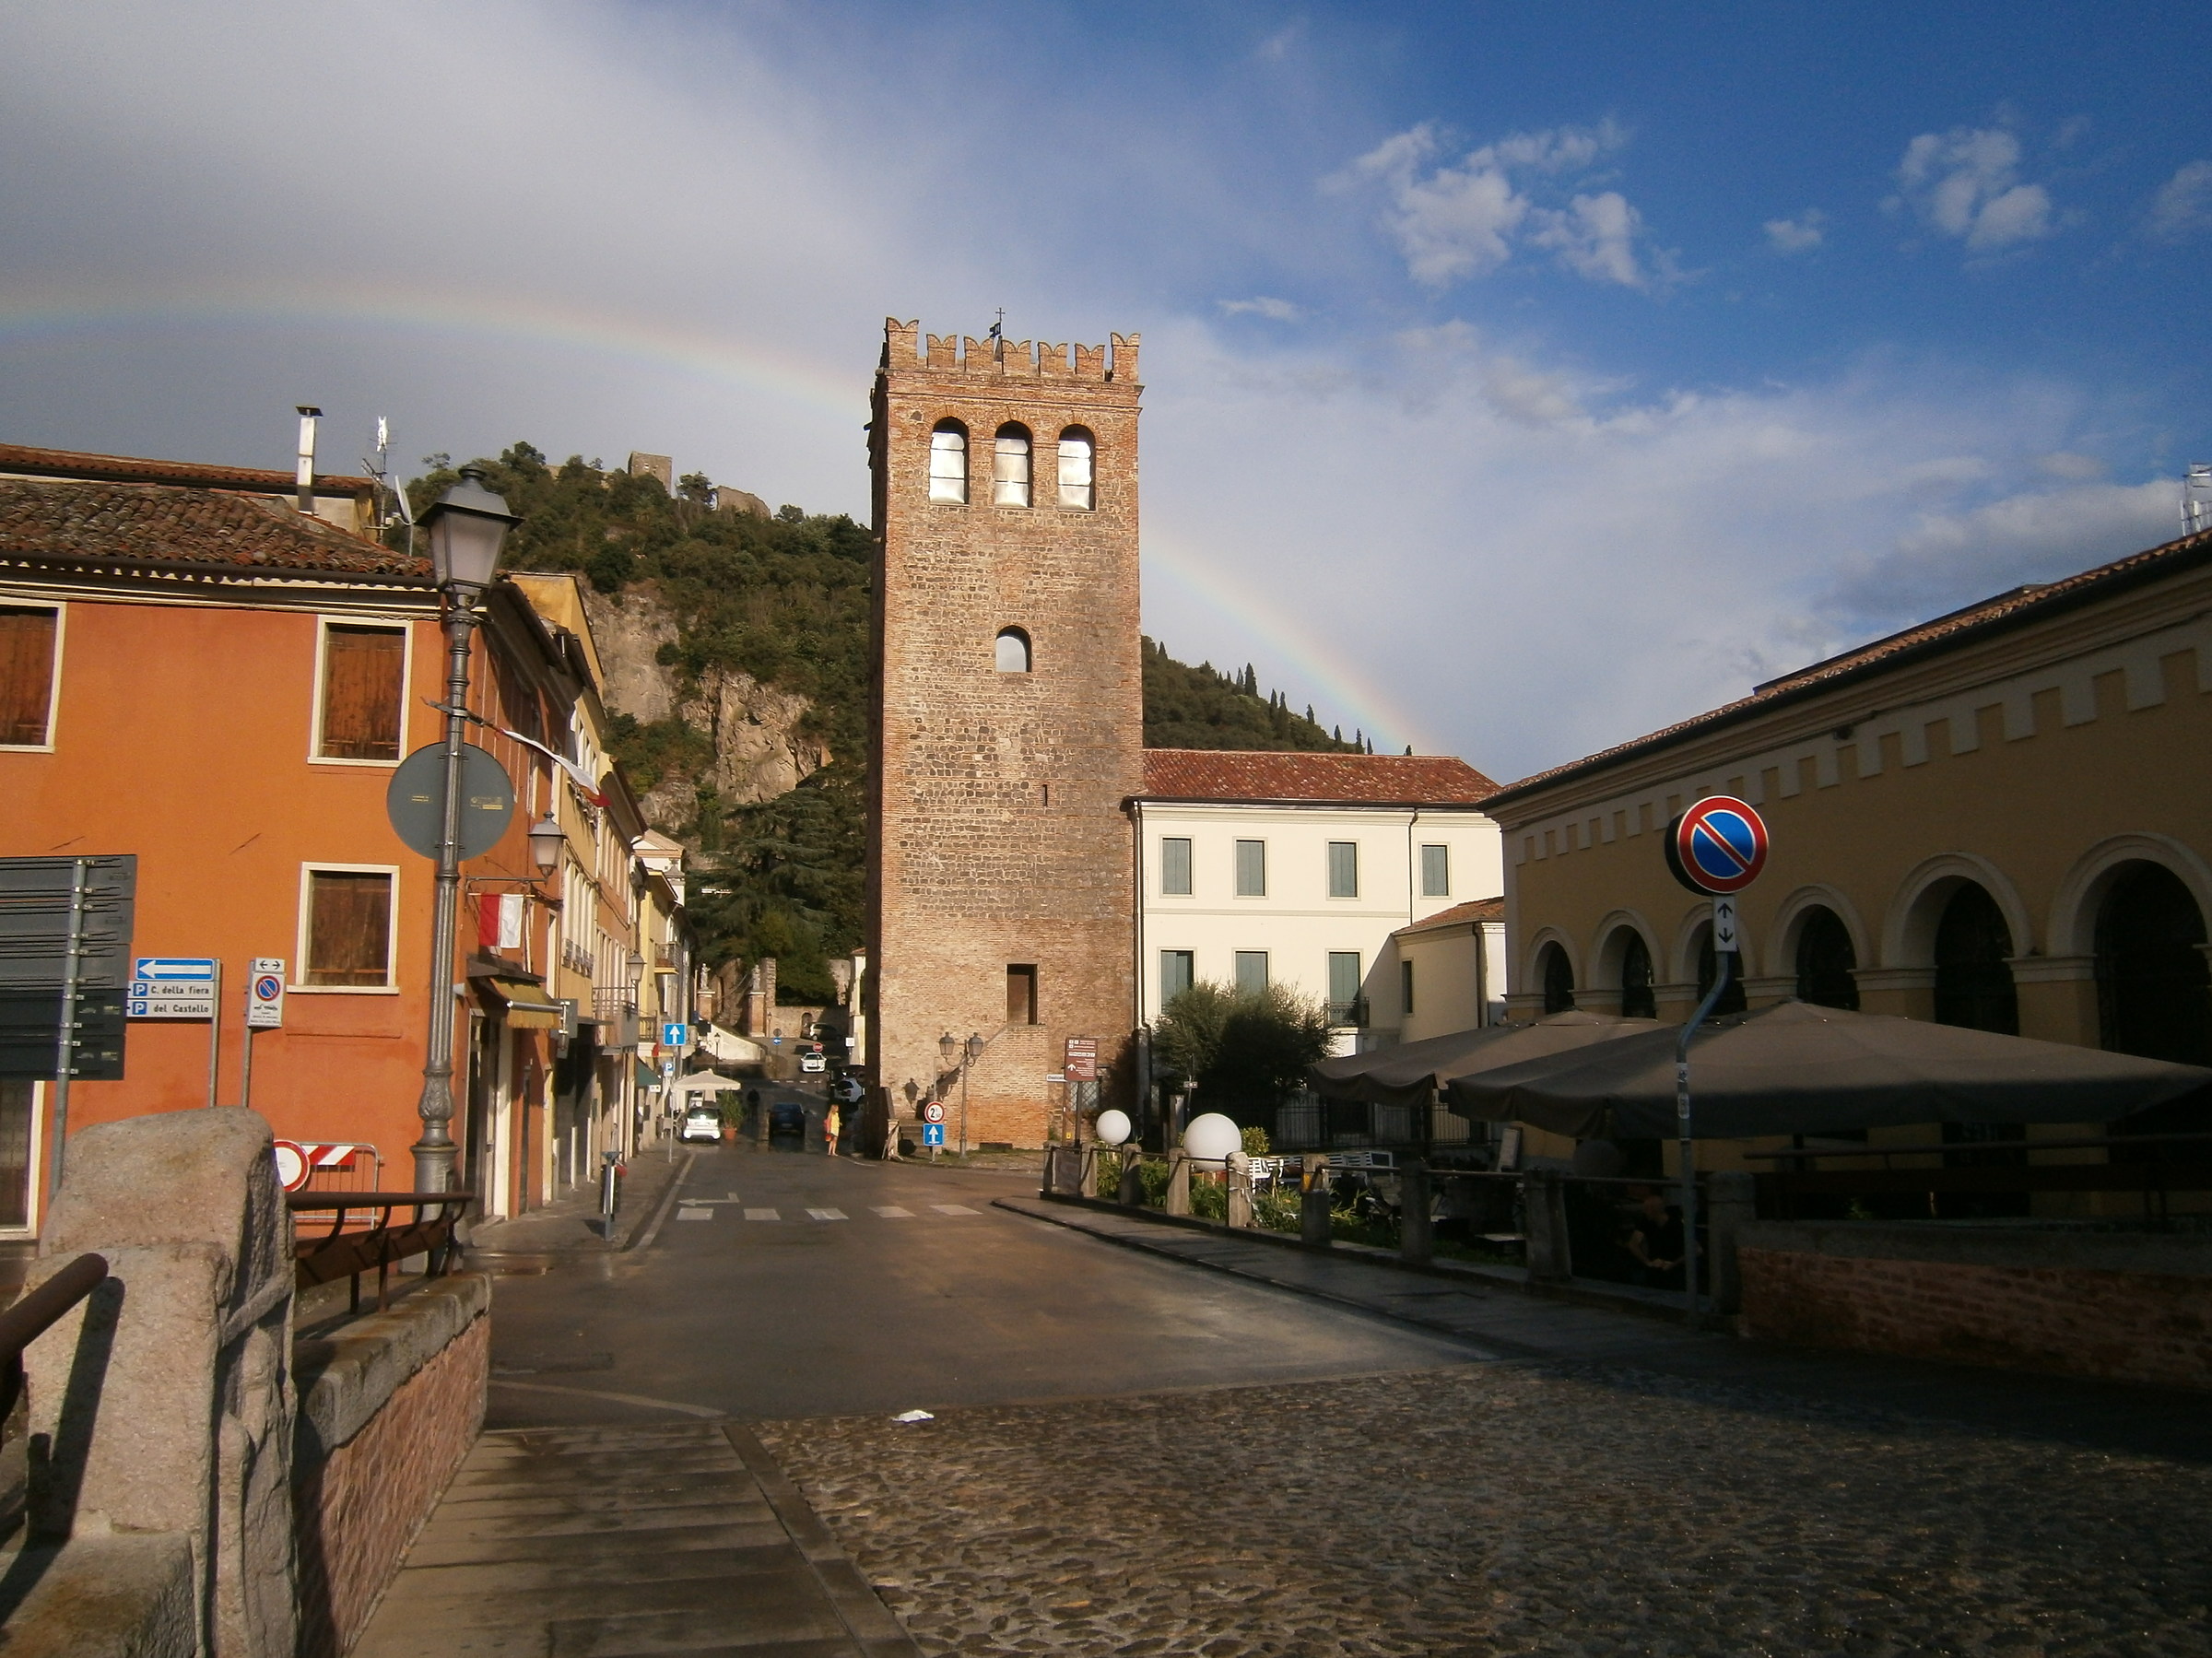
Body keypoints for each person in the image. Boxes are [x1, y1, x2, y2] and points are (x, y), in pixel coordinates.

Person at [1626, 1190, 1685, 1288]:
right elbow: (1633, 1243)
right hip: (1654, 1266)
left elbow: (1695, 1250)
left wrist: (1672, 1264)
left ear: (1653, 1210)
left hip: (1673, 1269)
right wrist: (1648, 1262)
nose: (1644, 1212)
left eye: (1647, 1209)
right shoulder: (1646, 1222)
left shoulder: (1675, 1225)